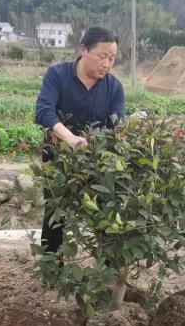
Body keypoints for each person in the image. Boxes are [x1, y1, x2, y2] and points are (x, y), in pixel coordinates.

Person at [35, 26, 125, 253]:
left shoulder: (114, 88)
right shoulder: (58, 76)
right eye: (102, 56)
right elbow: (44, 111)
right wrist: (69, 138)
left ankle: (107, 266)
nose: (107, 64)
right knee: (55, 212)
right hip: (58, 158)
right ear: (84, 50)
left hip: (97, 162)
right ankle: (52, 267)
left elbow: (117, 128)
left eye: (112, 58)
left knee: (105, 212)